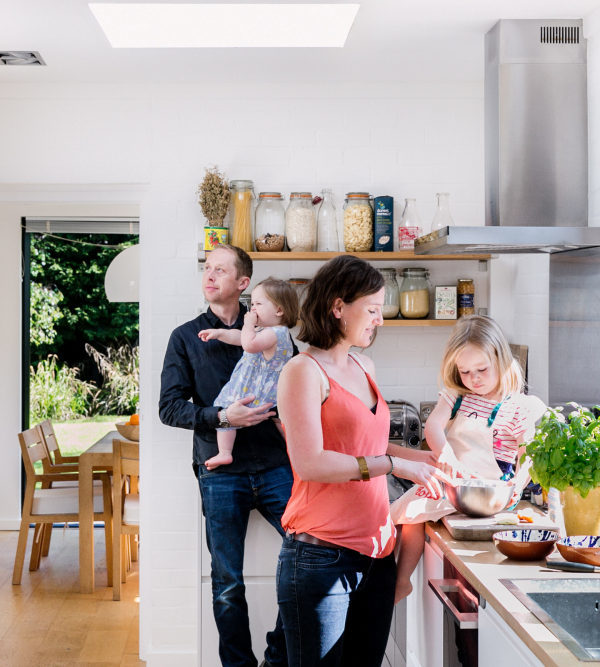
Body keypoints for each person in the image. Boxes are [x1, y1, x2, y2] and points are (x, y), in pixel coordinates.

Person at [275, 255, 448, 667]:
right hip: (320, 557)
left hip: (377, 556)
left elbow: (369, 442)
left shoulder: (363, 365)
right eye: (372, 309)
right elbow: (310, 462)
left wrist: (431, 459)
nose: (380, 319)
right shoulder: (303, 371)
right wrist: (393, 465)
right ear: (338, 308)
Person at [159, 244, 295, 667]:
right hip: (220, 474)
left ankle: (277, 659)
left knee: (311, 557)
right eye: (207, 268)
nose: (210, 275)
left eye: (221, 270)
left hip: (277, 466)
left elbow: (300, 385)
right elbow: (169, 408)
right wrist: (221, 415)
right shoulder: (184, 337)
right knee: (227, 582)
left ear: (243, 283)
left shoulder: (270, 326)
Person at [391, 314, 546, 602]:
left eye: (481, 369)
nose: (473, 379)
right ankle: (402, 580)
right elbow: (433, 426)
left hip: (489, 492)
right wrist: (447, 454)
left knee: (410, 512)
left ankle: (397, 581)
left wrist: (518, 484)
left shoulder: (519, 407)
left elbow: (528, 457)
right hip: (453, 482)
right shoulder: (457, 394)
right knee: (405, 513)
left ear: (500, 359)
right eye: (465, 372)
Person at [198, 277, 298, 469]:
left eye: (258, 304)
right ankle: (294, 449)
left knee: (225, 406)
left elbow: (248, 344)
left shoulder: (275, 333)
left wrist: (248, 324)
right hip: (271, 391)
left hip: (255, 390)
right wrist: (219, 333)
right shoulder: (270, 332)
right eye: (252, 303)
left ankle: (225, 452)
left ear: (279, 310)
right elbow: (240, 338)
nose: (252, 309)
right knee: (281, 421)